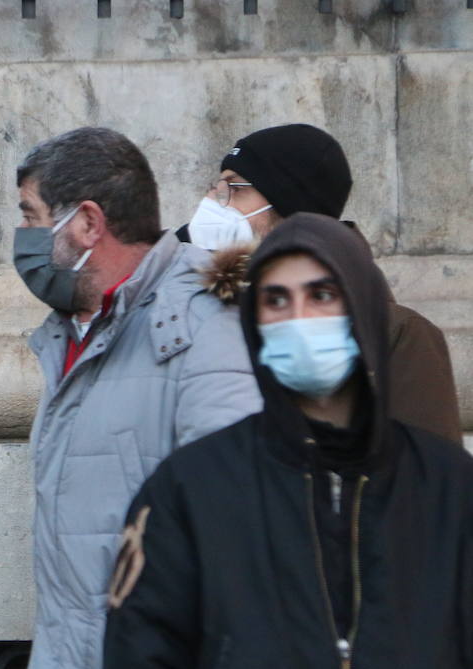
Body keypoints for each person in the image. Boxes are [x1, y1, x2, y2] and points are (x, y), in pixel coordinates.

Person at [99, 213, 473, 669]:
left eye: (322, 295)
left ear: (361, 307)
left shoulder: (450, 491)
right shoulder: (189, 494)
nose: (299, 316)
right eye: (277, 299)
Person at [1, 127, 262, 669]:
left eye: (28, 214)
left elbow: (231, 533)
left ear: (86, 222)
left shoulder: (204, 328)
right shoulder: (76, 335)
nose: (20, 237)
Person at [182, 123, 461, 443]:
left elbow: (430, 477)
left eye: (236, 188)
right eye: (216, 187)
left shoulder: (399, 335)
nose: (214, 201)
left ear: (290, 209)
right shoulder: (195, 313)